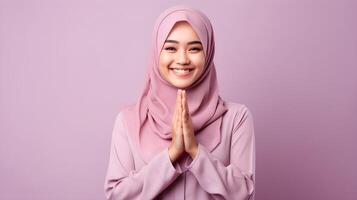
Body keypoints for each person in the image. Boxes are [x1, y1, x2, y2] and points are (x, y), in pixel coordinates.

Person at [104, 5, 255, 200]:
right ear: (157, 51)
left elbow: (245, 195)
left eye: (194, 48)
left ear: (208, 53)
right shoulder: (129, 121)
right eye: (170, 48)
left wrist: (195, 151)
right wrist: (171, 155)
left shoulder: (236, 119)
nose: (182, 59)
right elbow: (115, 197)